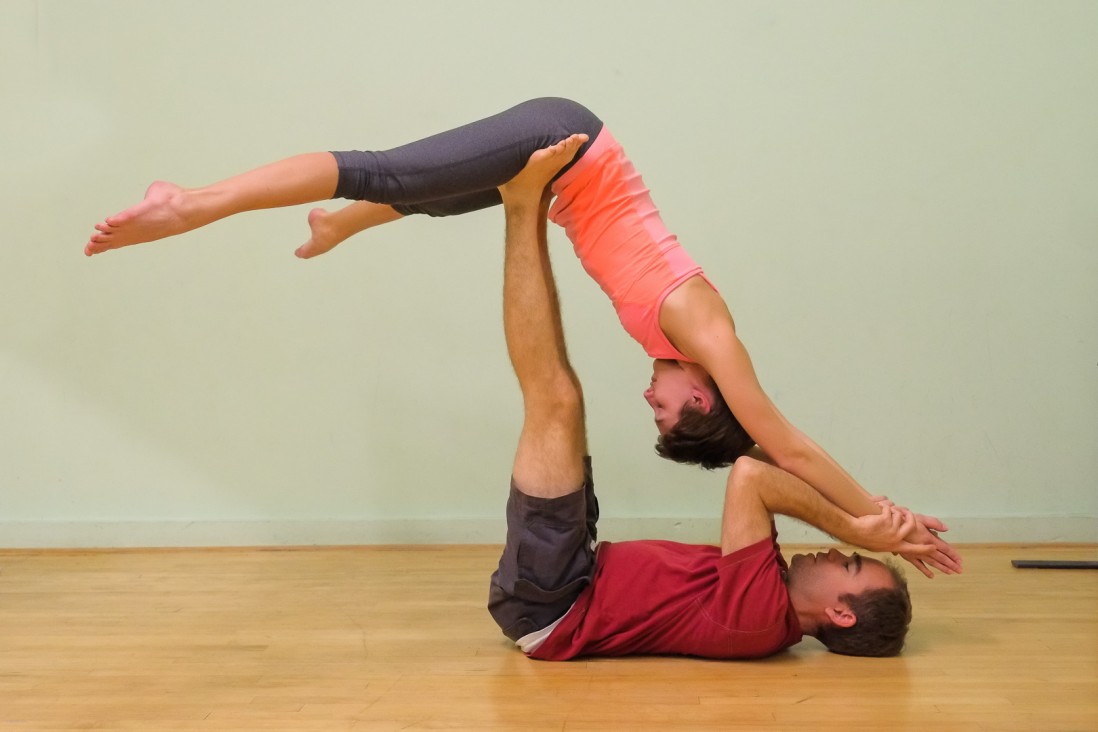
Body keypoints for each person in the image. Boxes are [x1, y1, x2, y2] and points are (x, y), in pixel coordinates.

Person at [83, 98, 960, 578]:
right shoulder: (703, 327)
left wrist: (873, 515)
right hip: (566, 140)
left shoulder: (674, 333)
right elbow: (789, 445)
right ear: (706, 398)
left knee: (420, 192)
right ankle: (189, 202)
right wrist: (875, 515)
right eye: (667, 415)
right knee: (394, 168)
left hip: (560, 170)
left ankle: (339, 224)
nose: (650, 401)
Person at [489, 137, 926, 659]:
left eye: (849, 564)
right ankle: (529, 203)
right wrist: (877, 511)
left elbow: (754, 476)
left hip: (556, 602)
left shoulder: (759, 617)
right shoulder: (767, 582)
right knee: (560, 397)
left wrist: (857, 525)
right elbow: (760, 457)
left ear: (840, 613)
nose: (837, 550)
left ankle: (521, 204)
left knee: (554, 398)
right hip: (575, 571)